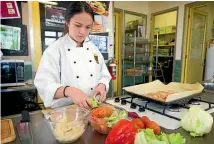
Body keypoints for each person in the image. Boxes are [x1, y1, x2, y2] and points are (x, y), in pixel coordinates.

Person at [34, 2, 112, 109]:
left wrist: (102, 85)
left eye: (88, 27)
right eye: (78, 25)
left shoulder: (94, 49)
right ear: (67, 22)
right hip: (65, 114)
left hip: (93, 108)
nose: (82, 32)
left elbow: (104, 75)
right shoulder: (54, 50)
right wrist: (69, 91)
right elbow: (44, 85)